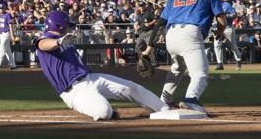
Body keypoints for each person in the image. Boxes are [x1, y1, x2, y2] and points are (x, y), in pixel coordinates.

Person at [34, 10, 166, 121]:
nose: (69, 27)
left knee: (131, 88)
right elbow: (43, 44)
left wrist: (60, 41)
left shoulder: (64, 39)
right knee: (104, 112)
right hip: (74, 91)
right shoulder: (47, 38)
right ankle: (110, 112)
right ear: (59, 26)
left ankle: (164, 109)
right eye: (67, 25)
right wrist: (58, 42)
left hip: (91, 78)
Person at [160, 0, 227, 116]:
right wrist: (220, 32)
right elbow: (222, 20)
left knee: (177, 69)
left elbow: (161, 21)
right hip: (190, 33)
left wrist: (150, 45)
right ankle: (191, 99)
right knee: (200, 73)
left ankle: (164, 101)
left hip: (170, 34)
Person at [213, 0, 244, 71]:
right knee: (217, 45)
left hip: (228, 27)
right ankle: (220, 64)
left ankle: (238, 60)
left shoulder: (226, 4)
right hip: (217, 28)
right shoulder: (212, 5)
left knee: (232, 46)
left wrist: (224, 16)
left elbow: (234, 14)